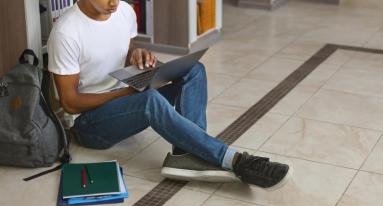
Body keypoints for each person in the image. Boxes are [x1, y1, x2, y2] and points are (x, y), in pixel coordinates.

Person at [47, 0, 291, 189]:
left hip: (127, 100)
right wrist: (126, 93)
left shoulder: (123, 12)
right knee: (149, 101)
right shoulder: (66, 32)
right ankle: (234, 160)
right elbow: (70, 103)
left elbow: (124, 50)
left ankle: (187, 155)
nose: (114, 2)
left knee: (194, 70)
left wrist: (136, 55)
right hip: (90, 125)